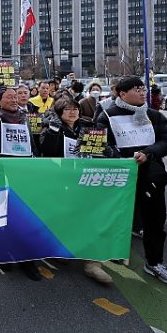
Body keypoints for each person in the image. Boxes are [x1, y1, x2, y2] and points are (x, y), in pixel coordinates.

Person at [96, 76, 167, 287]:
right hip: (120, 176)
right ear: (122, 94)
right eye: (137, 89)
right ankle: (115, 251)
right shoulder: (107, 114)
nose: (143, 93)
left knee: (155, 221)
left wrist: (148, 153)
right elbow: (100, 142)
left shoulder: (154, 115)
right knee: (117, 217)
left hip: (151, 176)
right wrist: (118, 157)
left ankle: (154, 262)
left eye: (143, 89)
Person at [39, 97, 115, 284]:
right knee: (62, 217)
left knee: (90, 217)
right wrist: (53, 130)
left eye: (75, 109)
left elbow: (104, 148)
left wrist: (107, 151)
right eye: (67, 109)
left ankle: (92, 263)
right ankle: (60, 250)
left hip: (86, 179)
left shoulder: (89, 126)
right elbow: (46, 151)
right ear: (59, 112)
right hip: (60, 181)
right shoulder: (51, 126)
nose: (73, 112)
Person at [0, 86, 42, 281]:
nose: (14, 100)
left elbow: (31, 142)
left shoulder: (24, 117)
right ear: (0, 99)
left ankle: (27, 259)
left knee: (24, 216)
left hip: (23, 172)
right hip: (0, 173)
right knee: (1, 215)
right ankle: (3, 253)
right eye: (9, 97)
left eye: (16, 97)